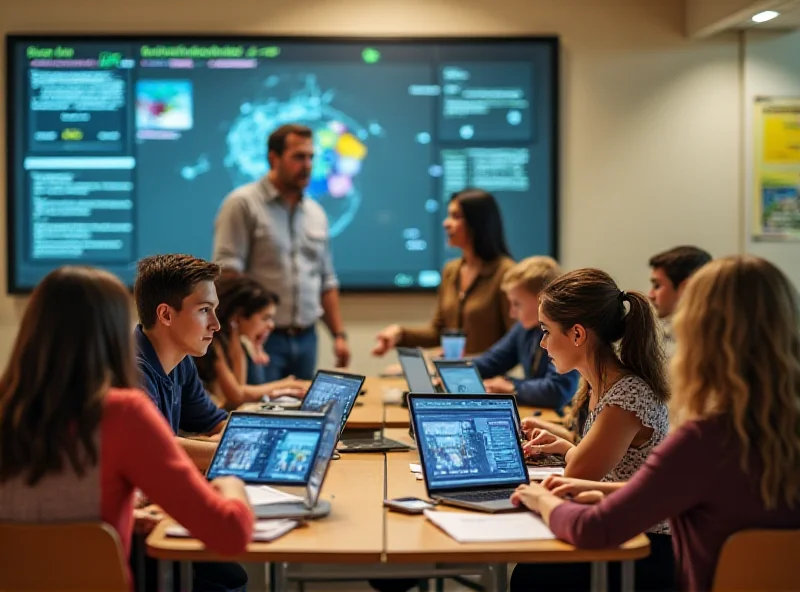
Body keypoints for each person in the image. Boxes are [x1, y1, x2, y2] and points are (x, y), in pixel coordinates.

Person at [510, 255, 800, 592]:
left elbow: (596, 529)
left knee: (532, 576)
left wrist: (540, 499)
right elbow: (674, 491)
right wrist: (598, 489)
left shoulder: (705, 442)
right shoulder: (777, 436)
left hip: (661, 568)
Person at [0, 266, 253, 591]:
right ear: (113, 333)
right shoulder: (122, 413)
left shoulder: (9, 409)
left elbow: (38, 514)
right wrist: (230, 481)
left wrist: (121, 514)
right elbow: (230, 534)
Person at [511, 268, 674, 591]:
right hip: (620, 523)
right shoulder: (597, 383)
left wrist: (567, 450)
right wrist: (563, 444)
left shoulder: (626, 395)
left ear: (577, 335)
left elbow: (577, 475)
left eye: (546, 331)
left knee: (532, 577)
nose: (542, 343)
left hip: (647, 545)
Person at [133, 254, 249, 592]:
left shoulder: (180, 361)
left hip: (152, 506)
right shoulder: (132, 367)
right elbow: (158, 450)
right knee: (227, 578)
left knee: (228, 573)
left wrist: (222, 444)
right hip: (125, 532)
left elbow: (217, 422)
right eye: (204, 310)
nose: (216, 324)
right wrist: (234, 453)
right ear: (166, 314)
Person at [213, 123, 349, 381]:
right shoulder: (242, 204)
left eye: (311, 157)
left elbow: (326, 281)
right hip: (262, 339)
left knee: (302, 416)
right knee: (261, 414)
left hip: (307, 337)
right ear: (273, 158)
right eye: (298, 157)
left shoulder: (316, 213)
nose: (307, 165)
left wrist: (339, 335)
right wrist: (243, 332)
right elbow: (228, 275)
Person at [372, 188, 515, 358]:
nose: (446, 223)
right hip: (451, 376)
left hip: (488, 379)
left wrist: (463, 361)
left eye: (456, 217)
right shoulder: (451, 271)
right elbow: (438, 333)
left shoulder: (507, 274)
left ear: (478, 223)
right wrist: (399, 334)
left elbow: (515, 343)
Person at [472, 256, 579, 411]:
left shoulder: (564, 333)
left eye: (517, 304)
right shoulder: (524, 329)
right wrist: (451, 372)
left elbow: (557, 390)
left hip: (563, 422)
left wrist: (511, 385)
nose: (512, 313)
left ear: (542, 299)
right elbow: (491, 362)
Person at [195, 273, 311, 409]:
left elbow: (236, 398)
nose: (271, 325)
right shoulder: (211, 342)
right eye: (265, 318)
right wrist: (288, 384)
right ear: (238, 317)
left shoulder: (234, 341)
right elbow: (237, 396)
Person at [648, 245, 712, 357]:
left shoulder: (705, 344)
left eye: (657, 286)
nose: (650, 295)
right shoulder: (661, 333)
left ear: (686, 288)